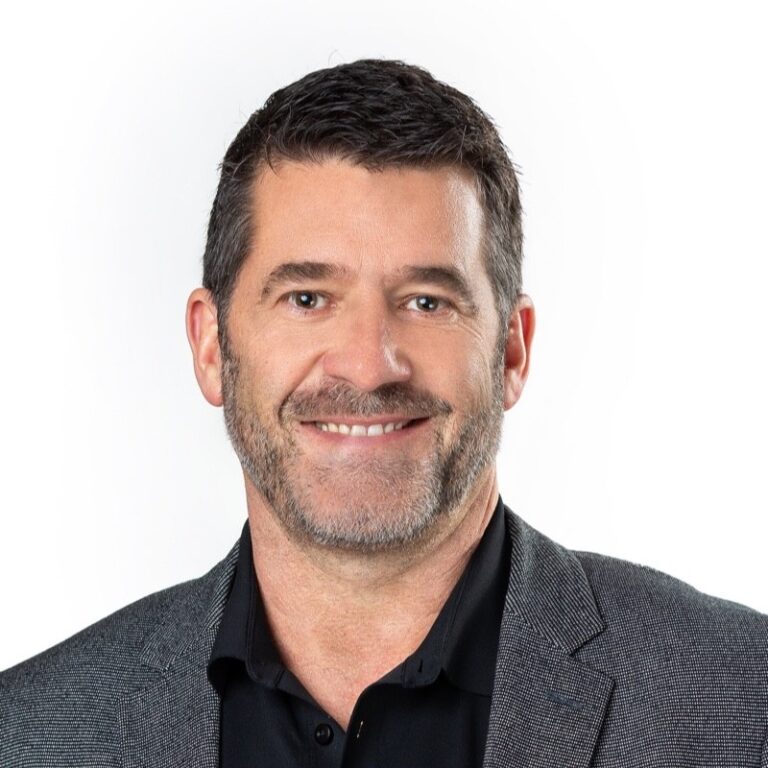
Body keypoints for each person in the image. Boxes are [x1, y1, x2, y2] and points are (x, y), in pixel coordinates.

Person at [1, 58, 766, 768]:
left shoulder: (741, 701)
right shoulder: (30, 732)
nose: (368, 366)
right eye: (308, 298)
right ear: (211, 345)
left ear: (511, 350)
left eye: (425, 302)